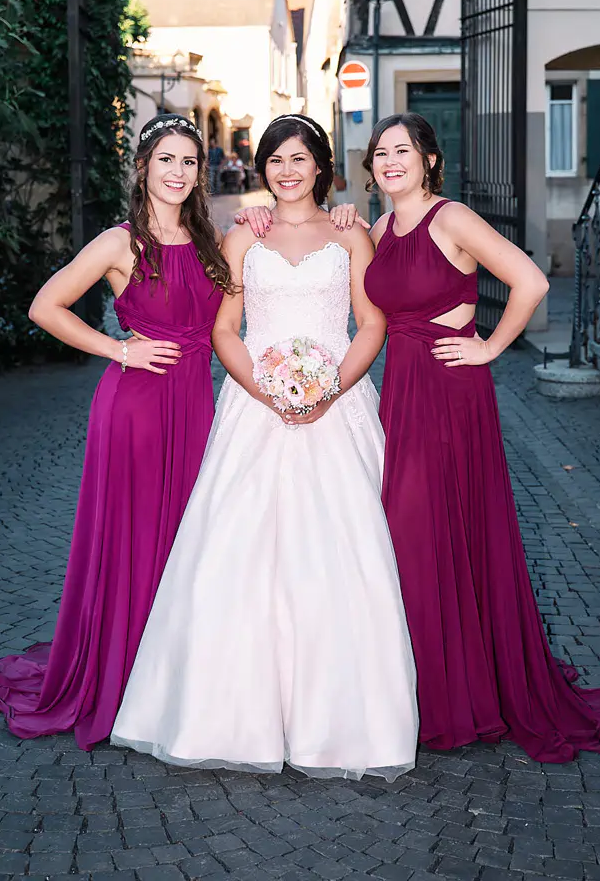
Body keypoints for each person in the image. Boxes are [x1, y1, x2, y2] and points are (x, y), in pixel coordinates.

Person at [241, 112, 600, 763]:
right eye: (379, 153)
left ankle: (453, 695)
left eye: (403, 151)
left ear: (429, 159)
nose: (390, 162)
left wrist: (488, 347)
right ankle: (420, 687)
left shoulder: (451, 218)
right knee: (407, 537)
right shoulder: (374, 227)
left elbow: (530, 280)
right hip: (399, 392)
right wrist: (291, 219)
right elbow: (339, 267)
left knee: (430, 529)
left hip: (449, 390)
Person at [111, 113, 418, 779]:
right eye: (275, 160)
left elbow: (371, 323)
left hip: (338, 403)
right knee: (233, 554)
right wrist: (268, 391)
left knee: (347, 552)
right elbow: (226, 330)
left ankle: (343, 719)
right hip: (256, 404)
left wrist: (330, 387)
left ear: (321, 166)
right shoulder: (240, 238)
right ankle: (225, 715)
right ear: (263, 169)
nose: (285, 171)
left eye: (299, 160)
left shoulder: (351, 234)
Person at [0, 115, 228, 751]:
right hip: (136, 406)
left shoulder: (209, 238)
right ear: (142, 168)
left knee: (188, 535)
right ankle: (123, 671)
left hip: (195, 405)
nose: (177, 172)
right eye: (166, 160)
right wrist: (117, 350)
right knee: (138, 536)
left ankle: (175, 673)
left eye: (189, 162)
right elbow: (44, 306)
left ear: (200, 173)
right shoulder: (121, 243)